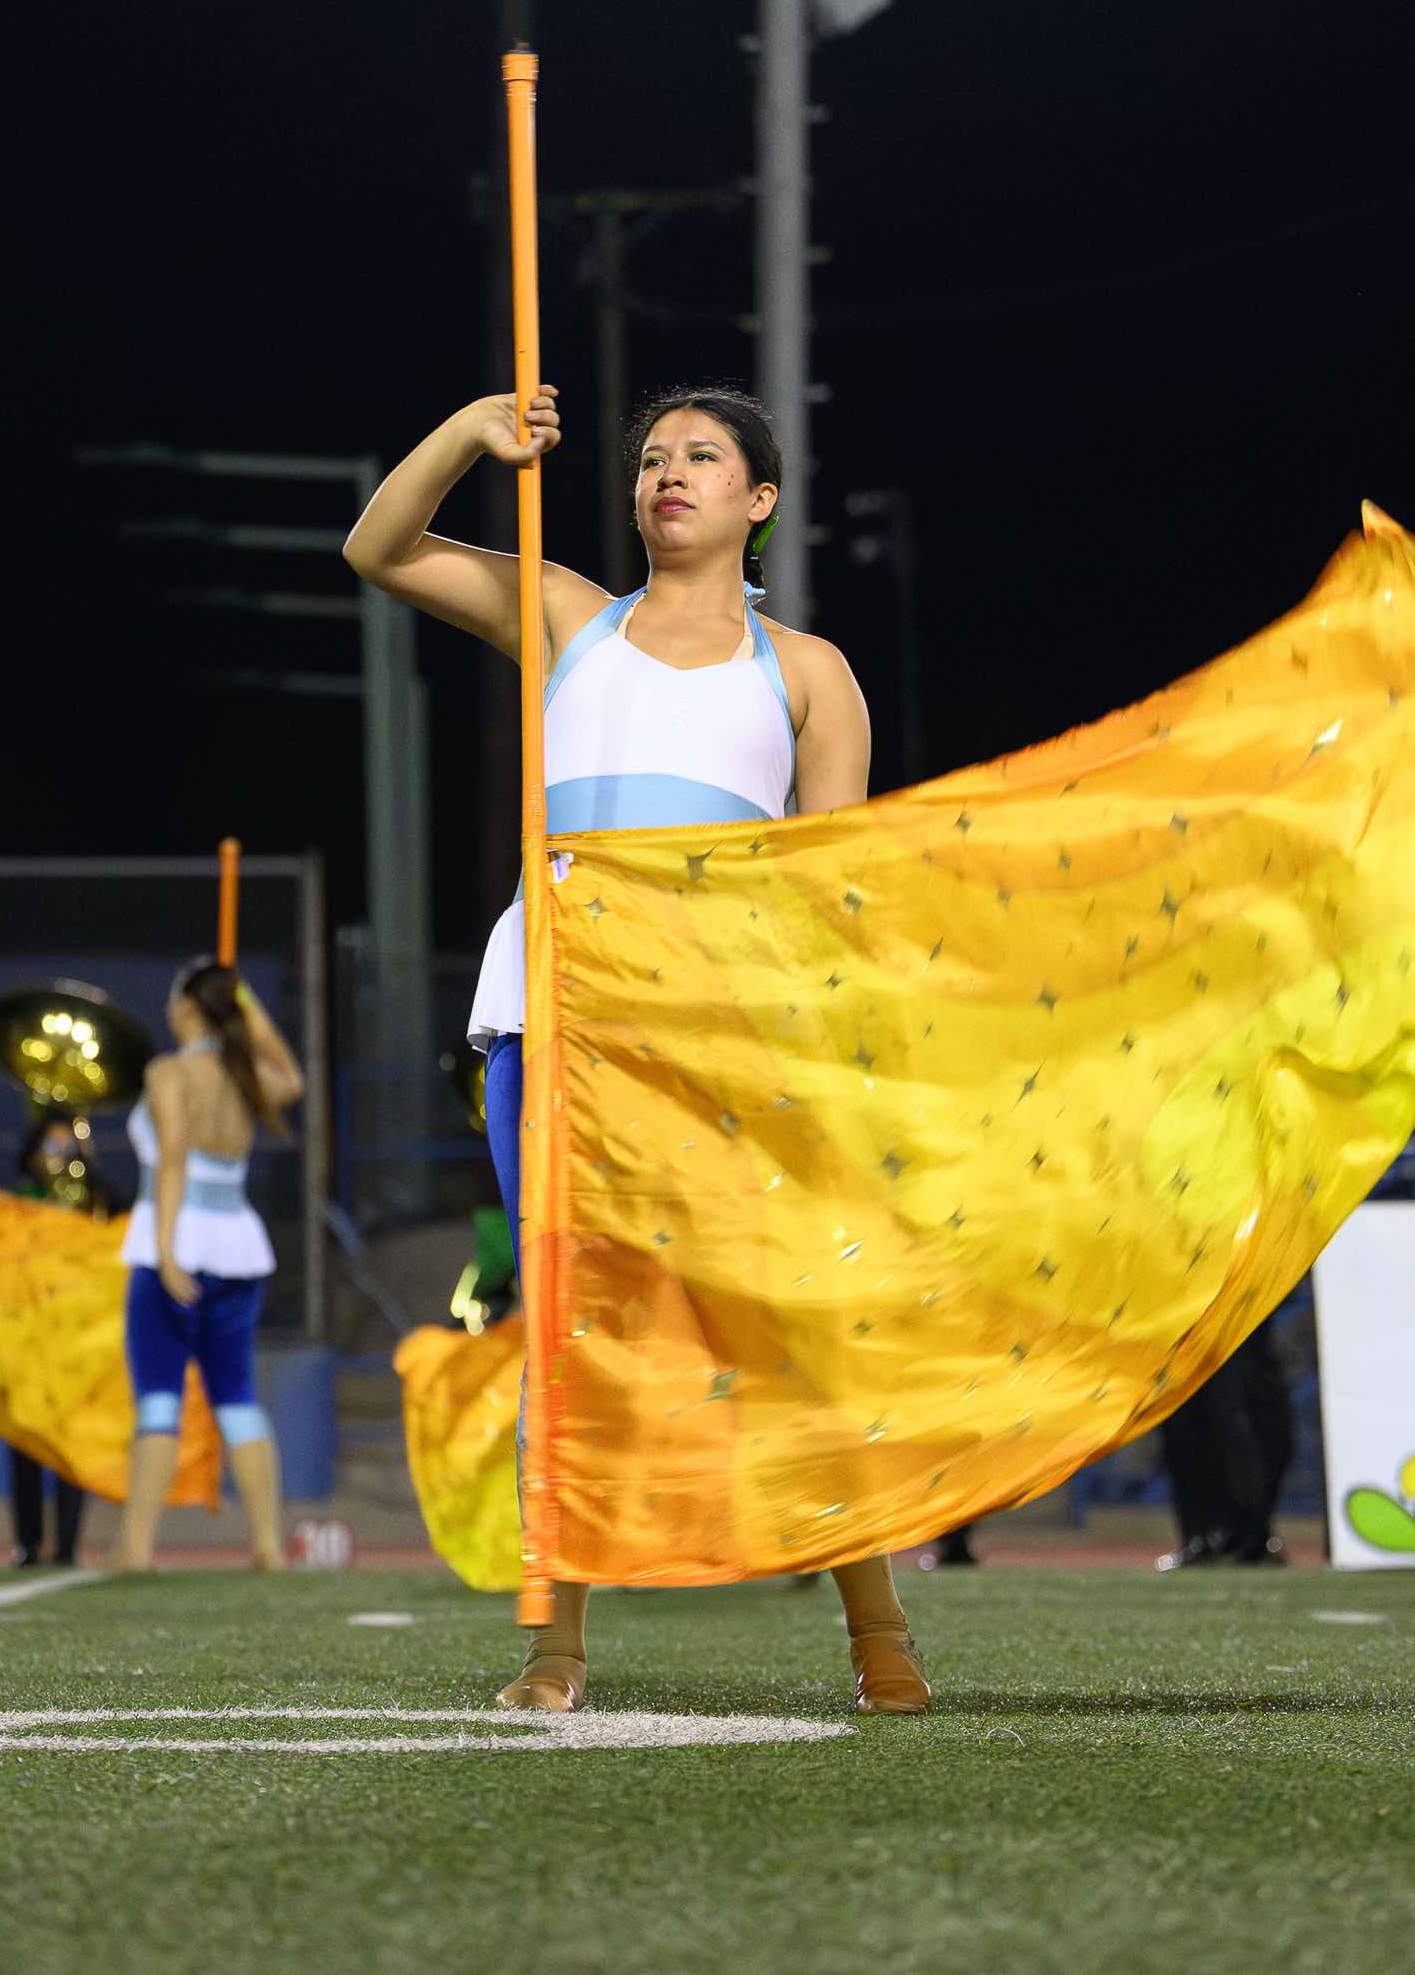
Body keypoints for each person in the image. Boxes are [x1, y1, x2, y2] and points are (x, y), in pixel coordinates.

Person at [344, 382, 930, 1716]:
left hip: (711, 1035)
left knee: (781, 1329)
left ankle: (879, 1630)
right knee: (569, 1325)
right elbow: (378, 549)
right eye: (652, 457)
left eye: (702, 457)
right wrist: (468, 434)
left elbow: (827, 893)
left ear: (757, 499)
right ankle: (554, 1650)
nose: (668, 472)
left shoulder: (808, 673)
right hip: (553, 1014)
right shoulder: (568, 615)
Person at [111, 961, 304, 1571]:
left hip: (174, 1241)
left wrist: (168, 1251)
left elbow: (172, 1156)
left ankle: (135, 1548)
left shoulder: (168, 1071)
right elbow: (292, 1078)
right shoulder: (245, 1075)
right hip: (237, 1246)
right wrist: (249, 1007)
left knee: (159, 1398)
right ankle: (267, 1542)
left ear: (189, 1007)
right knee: (236, 1396)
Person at [6, 1112, 113, 1565]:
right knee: (25, 1441)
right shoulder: (18, 1201)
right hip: (29, 1337)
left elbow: (122, 1221)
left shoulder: (92, 1200)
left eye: (67, 1147)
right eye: (50, 1146)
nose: (58, 1157)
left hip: (75, 1338)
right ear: (32, 1153)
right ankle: (27, 1543)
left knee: (72, 1441)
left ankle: (68, 1544)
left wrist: (90, 1164)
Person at [1154, 1298, 1298, 1570]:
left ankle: (1250, 1531)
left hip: (1241, 1312)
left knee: (1261, 1426)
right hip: (1185, 1319)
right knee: (1189, 1426)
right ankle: (1203, 1537)